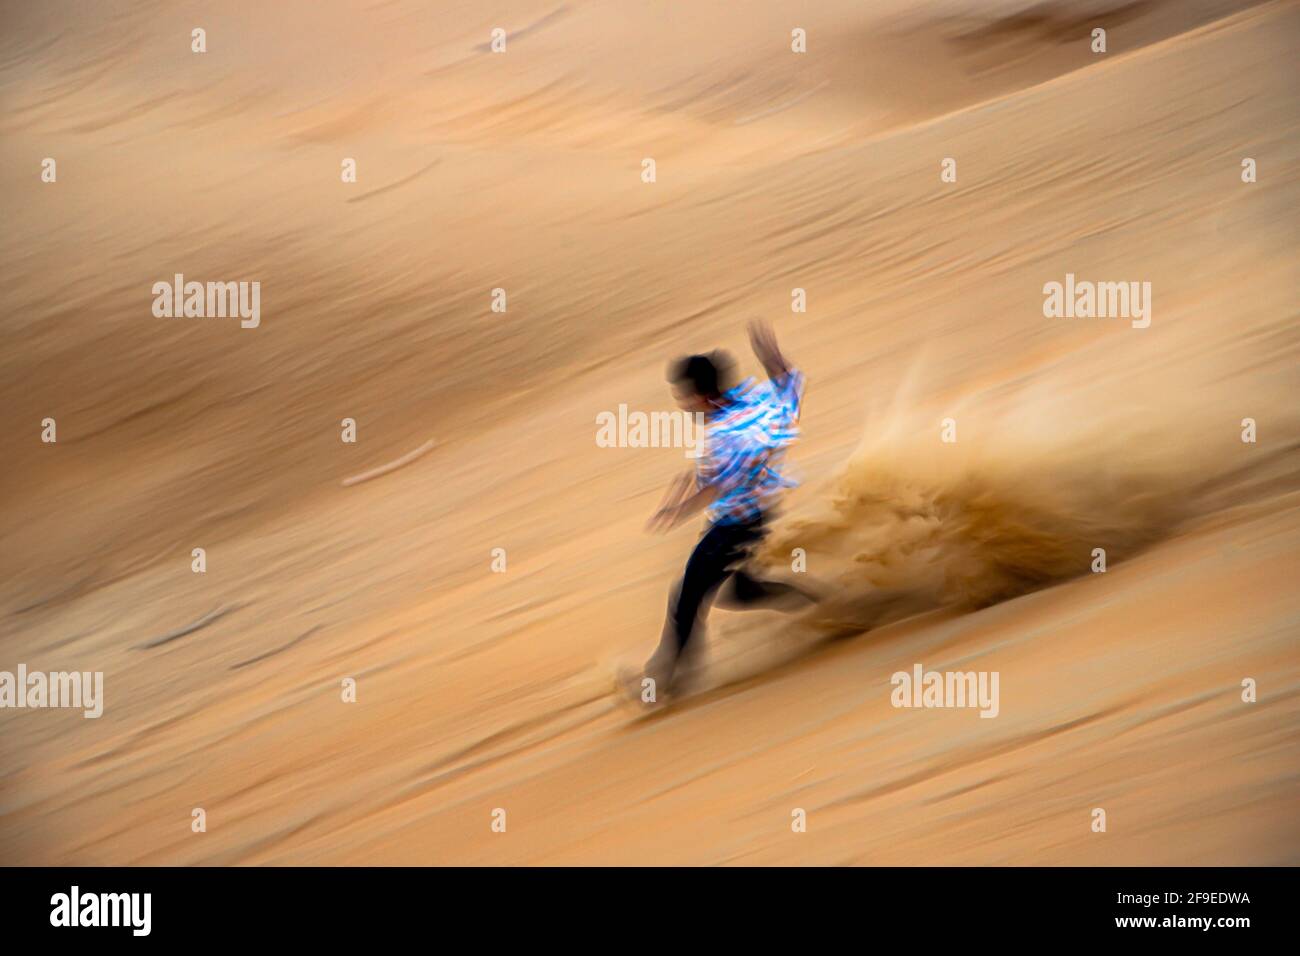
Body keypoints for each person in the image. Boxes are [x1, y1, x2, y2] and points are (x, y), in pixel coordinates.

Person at [640, 320, 814, 698]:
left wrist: (679, 509)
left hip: (734, 524)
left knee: (686, 596)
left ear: (701, 396)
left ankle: (662, 683)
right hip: (758, 516)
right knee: (743, 591)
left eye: (683, 397)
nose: (682, 404)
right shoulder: (754, 401)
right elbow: (789, 384)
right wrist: (771, 357)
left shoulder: (724, 435)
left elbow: (721, 483)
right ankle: (821, 605)